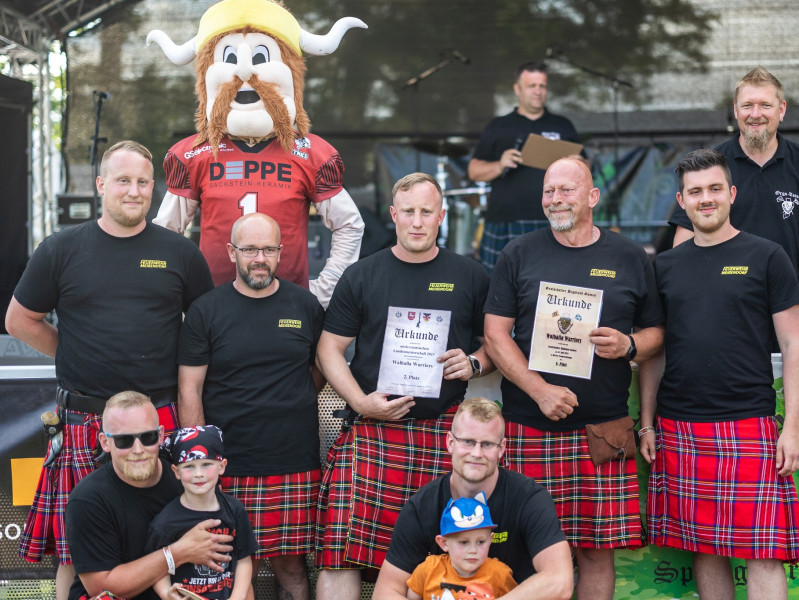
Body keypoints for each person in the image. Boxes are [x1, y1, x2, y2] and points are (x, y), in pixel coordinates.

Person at [4, 140, 213, 600]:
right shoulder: (61, 249)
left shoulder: (180, 253)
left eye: (143, 182)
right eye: (123, 181)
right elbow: (19, 320)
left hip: (159, 418)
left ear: (153, 188)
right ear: (101, 185)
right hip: (88, 418)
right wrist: (71, 351)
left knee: (170, 532)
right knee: (75, 550)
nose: (134, 191)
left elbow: (203, 333)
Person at [482, 157, 665, 600]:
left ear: (592, 196)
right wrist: (540, 390)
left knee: (597, 554)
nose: (555, 199)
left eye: (566, 190)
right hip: (530, 427)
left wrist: (629, 345)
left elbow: (657, 334)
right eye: (549, 191)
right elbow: (494, 334)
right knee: (525, 553)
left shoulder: (629, 256)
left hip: (603, 430)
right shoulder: (519, 252)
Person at [314, 173, 494, 600]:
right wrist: (361, 402)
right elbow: (328, 349)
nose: (417, 221)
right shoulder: (362, 275)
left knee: (442, 556)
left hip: (443, 432)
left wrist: (474, 363)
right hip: (372, 430)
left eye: (426, 212)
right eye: (408, 211)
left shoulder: (470, 275)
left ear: (441, 216)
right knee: (340, 555)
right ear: (393, 215)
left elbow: (496, 344)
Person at [640, 148, 799, 600]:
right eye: (695, 192)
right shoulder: (664, 266)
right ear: (681, 201)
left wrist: (792, 427)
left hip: (749, 420)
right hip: (680, 425)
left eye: (714, 189)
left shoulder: (767, 256)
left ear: (731, 193)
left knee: (764, 552)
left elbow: (793, 344)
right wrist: (648, 423)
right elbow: (654, 351)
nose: (705, 198)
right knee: (704, 548)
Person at [149, 0, 365, 306]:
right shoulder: (196, 153)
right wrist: (182, 294)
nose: (244, 70)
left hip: (288, 308)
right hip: (215, 309)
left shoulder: (310, 152)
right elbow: (166, 232)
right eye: (230, 57)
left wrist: (323, 291)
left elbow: (349, 225)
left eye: (261, 57)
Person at [177, 212, 324, 600]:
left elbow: (320, 369)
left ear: (280, 252)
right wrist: (201, 461)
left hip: (294, 459)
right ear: (232, 252)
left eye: (269, 250)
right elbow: (190, 389)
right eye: (250, 250)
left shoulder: (305, 305)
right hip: (231, 462)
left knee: (291, 565)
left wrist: (289, 401)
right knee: (232, 566)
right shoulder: (206, 311)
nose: (260, 259)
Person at [373, 397, 573, 600]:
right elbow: (384, 593)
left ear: (501, 449)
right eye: (468, 441)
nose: (477, 453)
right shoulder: (421, 507)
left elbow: (560, 581)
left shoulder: (529, 498)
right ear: (450, 443)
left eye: (487, 444)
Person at [64, 391, 234, 600]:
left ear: (161, 435)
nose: (138, 449)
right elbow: (101, 589)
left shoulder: (191, 479)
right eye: (124, 440)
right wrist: (177, 553)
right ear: (105, 442)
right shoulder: (88, 499)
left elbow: (232, 565)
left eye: (148, 437)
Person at [670, 67, 799, 274]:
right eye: (747, 105)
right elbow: (684, 243)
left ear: (781, 109)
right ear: (736, 110)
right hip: (724, 290)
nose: (755, 114)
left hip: (791, 291)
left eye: (765, 105)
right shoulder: (709, 165)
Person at [468, 61, 583, 273]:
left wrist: (577, 163)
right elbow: (474, 171)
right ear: (517, 89)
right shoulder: (499, 125)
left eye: (542, 86)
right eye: (532, 86)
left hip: (554, 216)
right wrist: (500, 165)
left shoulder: (562, 125)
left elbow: (586, 167)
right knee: (499, 283)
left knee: (554, 281)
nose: (538, 91)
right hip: (505, 218)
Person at [146, 425, 258, 600]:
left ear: (222, 466)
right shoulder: (165, 521)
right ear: (176, 471)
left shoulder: (235, 510)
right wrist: (166, 593)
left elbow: (244, 559)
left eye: (206, 464)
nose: (198, 474)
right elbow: (158, 567)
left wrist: (237, 597)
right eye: (189, 466)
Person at [405, 492, 516, 600]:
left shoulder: (500, 575)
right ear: (444, 543)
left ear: (490, 540)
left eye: (481, 542)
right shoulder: (428, 570)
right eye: (464, 542)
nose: (473, 550)